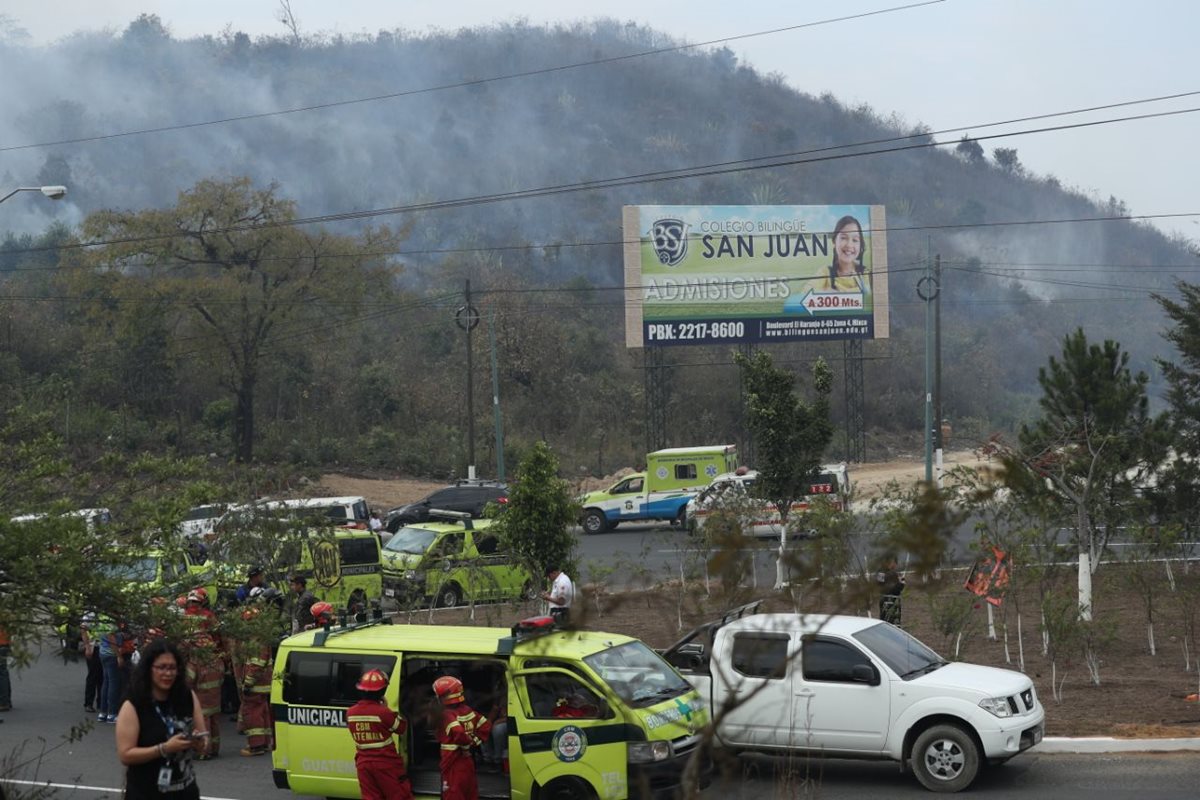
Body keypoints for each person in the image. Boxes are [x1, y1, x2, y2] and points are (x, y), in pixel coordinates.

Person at [115, 638, 209, 800]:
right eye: (161, 668)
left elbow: (204, 740)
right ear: (149, 669)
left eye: (172, 668)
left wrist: (200, 743)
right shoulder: (134, 704)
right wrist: (164, 748)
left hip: (185, 792)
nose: (168, 673)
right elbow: (125, 754)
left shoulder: (187, 696)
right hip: (146, 793)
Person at [346, 669, 412, 800]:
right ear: (382, 692)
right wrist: (386, 708)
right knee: (399, 796)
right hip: (386, 764)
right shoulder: (383, 712)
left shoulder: (350, 713)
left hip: (363, 765)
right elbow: (401, 728)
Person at [182, 588, 225, 758]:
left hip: (200, 692)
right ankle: (214, 748)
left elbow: (189, 679)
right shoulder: (208, 616)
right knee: (214, 718)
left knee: (202, 720)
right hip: (214, 692)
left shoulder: (183, 617)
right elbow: (219, 635)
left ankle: (202, 751)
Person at [433, 675, 490, 800]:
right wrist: (474, 742)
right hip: (468, 761)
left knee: (453, 793)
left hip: (453, 761)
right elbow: (485, 725)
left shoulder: (446, 714)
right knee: (469, 792)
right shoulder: (467, 710)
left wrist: (465, 746)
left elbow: (458, 732)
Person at [822, 215, 870, 293]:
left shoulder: (866, 273)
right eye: (843, 238)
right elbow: (804, 293)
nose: (849, 245)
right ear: (834, 241)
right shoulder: (825, 272)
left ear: (861, 245)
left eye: (855, 240)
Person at [81, 613, 104, 713]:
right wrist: (87, 647)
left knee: (102, 676)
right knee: (93, 676)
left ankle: (101, 702)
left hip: (104, 647)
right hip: (93, 647)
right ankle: (88, 703)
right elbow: (83, 630)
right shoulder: (89, 614)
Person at [876, 557, 906, 625]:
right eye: (894, 563)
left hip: (890, 600)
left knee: (889, 619)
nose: (895, 566)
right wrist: (901, 583)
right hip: (889, 600)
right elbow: (886, 587)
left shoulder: (888, 572)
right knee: (889, 620)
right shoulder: (887, 573)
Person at [0, 626, 11, 715]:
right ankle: (6, 700)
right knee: (3, 672)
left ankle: (3, 702)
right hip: (4, 641)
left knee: (1, 673)